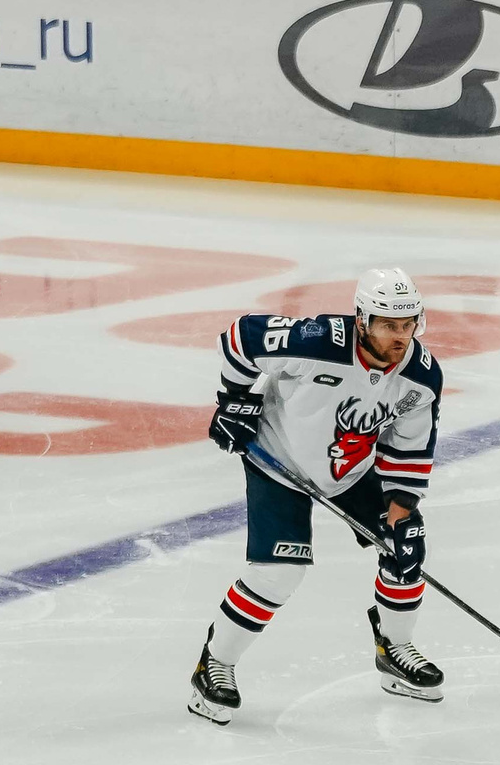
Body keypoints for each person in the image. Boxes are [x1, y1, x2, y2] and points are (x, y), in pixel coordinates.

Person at [188, 268, 443, 725]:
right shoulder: (317, 341)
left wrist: (401, 516)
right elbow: (241, 338)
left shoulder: (420, 378)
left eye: (408, 325)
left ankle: (394, 648)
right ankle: (215, 664)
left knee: (405, 548)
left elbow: (408, 450)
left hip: (351, 470)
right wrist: (233, 399)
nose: (401, 336)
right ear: (362, 319)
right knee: (278, 574)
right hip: (278, 461)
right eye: (389, 325)